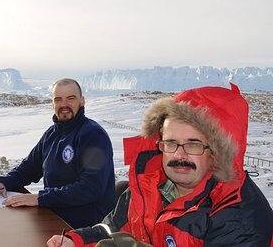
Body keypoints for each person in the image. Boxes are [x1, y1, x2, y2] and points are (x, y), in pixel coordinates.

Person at [47, 84, 273, 247]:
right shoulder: (148, 186)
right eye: (171, 142)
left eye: (193, 144)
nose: (179, 154)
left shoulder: (239, 216)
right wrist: (74, 240)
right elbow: (111, 230)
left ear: (217, 151)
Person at [0, 78, 116, 228]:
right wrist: (4, 183)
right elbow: (30, 167)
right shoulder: (52, 134)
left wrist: (40, 198)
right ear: (52, 104)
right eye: (58, 100)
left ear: (82, 101)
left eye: (70, 98)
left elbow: (90, 188)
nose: (64, 105)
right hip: (54, 217)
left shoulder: (93, 135)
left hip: (85, 228)